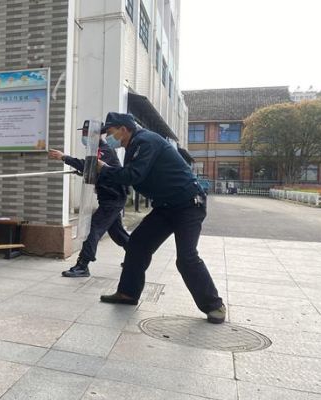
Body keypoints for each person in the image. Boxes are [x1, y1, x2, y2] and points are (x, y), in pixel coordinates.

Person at [97, 112, 226, 324]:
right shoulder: (133, 145)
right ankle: (127, 293)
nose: (108, 137)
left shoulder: (146, 141)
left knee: (186, 257)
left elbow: (133, 175)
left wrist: (104, 169)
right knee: (137, 245)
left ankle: (215, 305)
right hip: (165, 206)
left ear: (123, 129)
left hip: (188, 204)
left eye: (110, 132)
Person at [48, 137, 129, 277]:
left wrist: (64, 157)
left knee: (93, 228)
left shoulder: (105, 150)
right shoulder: (98, 150)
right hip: (110, 198)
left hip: (113, 199)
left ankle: (82, 265)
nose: (85, 138)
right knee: (117, 232)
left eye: (87, 134)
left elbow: (89, 165)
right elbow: (95, 170)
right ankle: (137, 255)